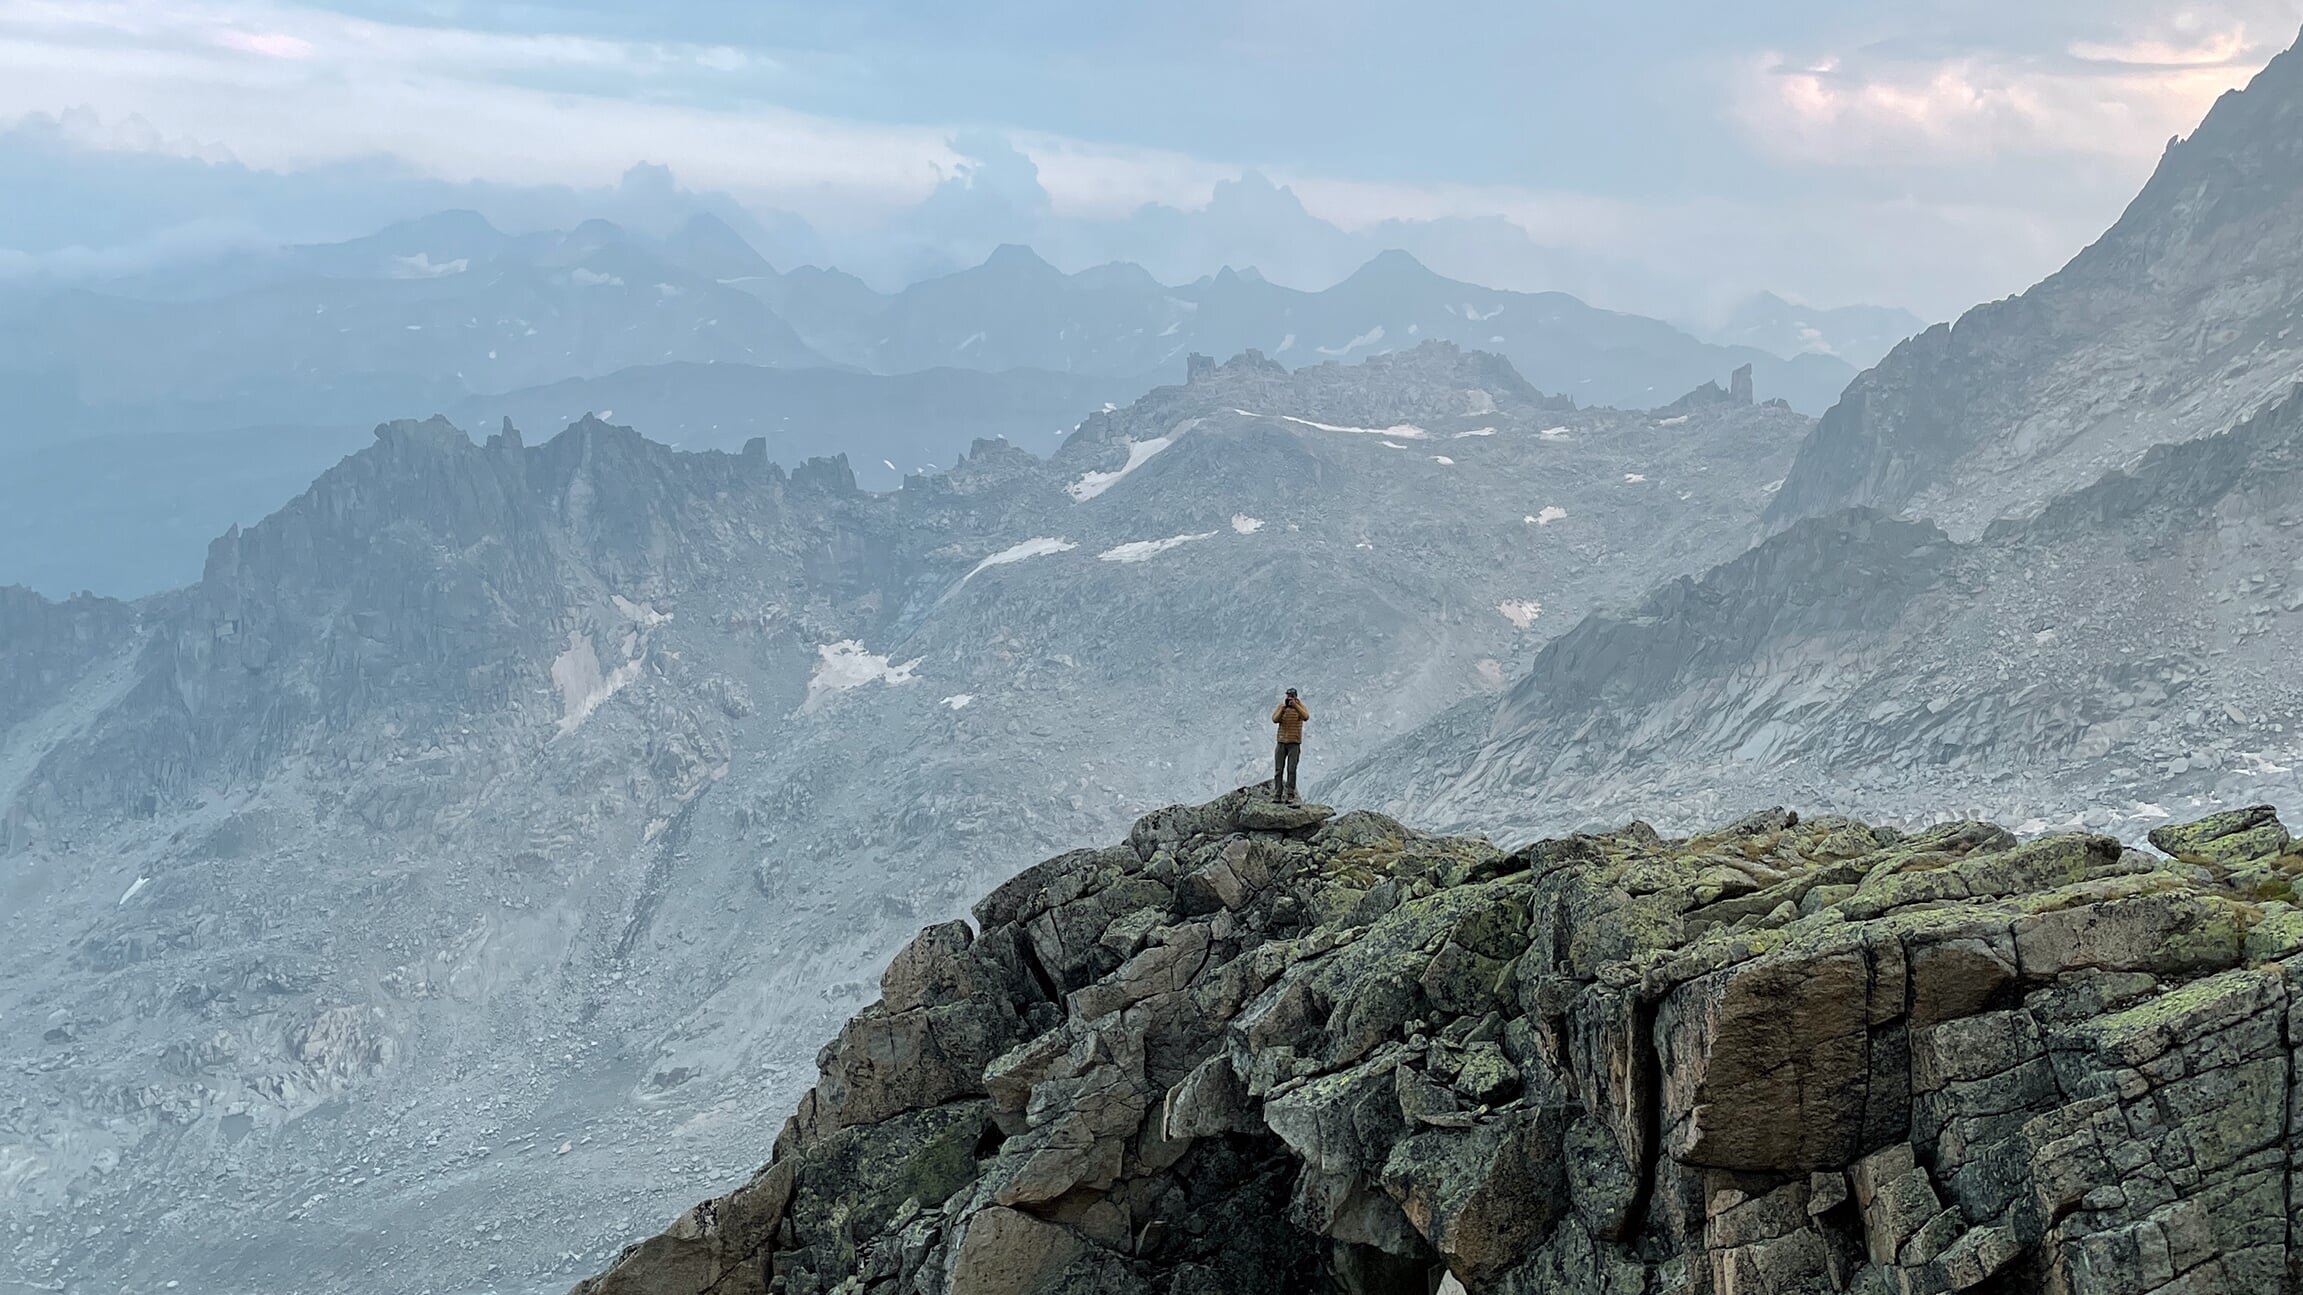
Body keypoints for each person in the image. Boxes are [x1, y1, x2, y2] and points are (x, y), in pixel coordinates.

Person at [1270, 687, 1309, 802]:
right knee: (1278, 770)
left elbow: (1305, 716)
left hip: (1294, 744)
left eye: (1291, 696)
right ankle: (1277, 794)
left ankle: (1290, 795)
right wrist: (1282, 709)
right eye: (1288, 696)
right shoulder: (1282, 707)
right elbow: (1275, 719)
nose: (1289, 698)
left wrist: (1296, 706)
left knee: (1291, 770)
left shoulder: (1300, 708)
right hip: (1281, 743)